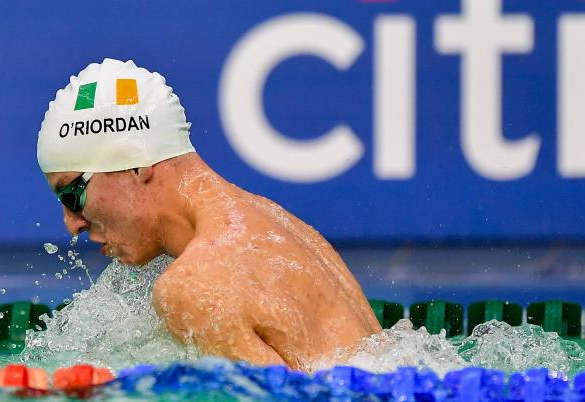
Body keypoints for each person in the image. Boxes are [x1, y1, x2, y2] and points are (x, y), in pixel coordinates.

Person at [37, 58, 381, 371]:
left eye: (71, 194)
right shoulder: (281, 225)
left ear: (137, 165)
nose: (72, 224)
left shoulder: (193, 286)